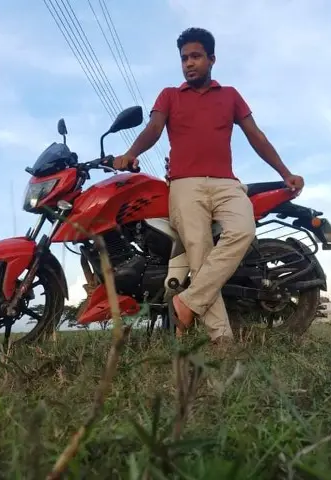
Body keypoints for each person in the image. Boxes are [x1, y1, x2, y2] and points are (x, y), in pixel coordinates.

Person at [114, 27, 304, 344]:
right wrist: (131, 153)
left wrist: (285, 172)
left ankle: (187, 302)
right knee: (200, 256)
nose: (189, 63)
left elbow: (256, 136)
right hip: (185, 185)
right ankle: (222, 340)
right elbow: (154, 128)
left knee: (243, 230)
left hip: (227, 184)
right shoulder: (169, 95)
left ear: (211, 59)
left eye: (196, 56)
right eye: (184, 58)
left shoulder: (230, 95)